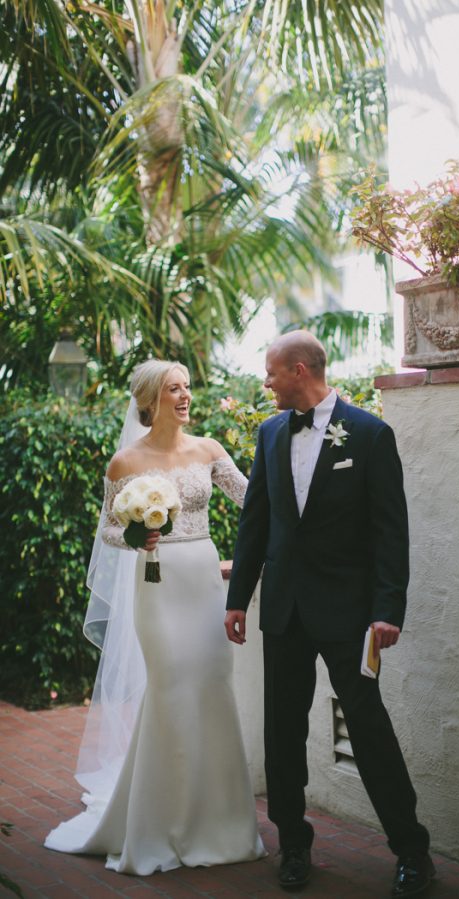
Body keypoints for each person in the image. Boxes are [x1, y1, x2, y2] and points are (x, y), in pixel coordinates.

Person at [225, 331, 433, 896]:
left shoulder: (369, 434)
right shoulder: (269, 434)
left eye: (271, 374)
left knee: (368, 727)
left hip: (350, 615)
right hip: (285, 611)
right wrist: (237, 598)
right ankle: (293, 842)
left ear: (299, 370)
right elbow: (255, 523)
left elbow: (392, 531)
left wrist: (388, 609)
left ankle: (412, 850)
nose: (265, 383)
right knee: (283, 732)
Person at [45, 359, 265, 875]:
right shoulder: (125, 463)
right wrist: (134, 535)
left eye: (187, 387)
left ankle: (222, 824)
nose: (185, 396)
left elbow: (254, 499)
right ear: (150, 400)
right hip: (157, 584)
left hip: (204, 579)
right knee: (169, 690)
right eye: (174, 389)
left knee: (212, 686)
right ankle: (157, 825)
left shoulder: (209, 450)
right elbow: (107, 532)